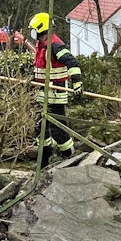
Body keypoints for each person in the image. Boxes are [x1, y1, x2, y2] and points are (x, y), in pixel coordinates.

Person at [28, 12, 83, 166]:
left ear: (41, 29)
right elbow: (41, 68)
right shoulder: (42, 45)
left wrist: (77, 82)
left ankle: (71, 158)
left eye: (34, 30)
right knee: (41, 130)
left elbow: (72, 62)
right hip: (43, 93)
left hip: (56, 93)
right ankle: (43, 162)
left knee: (58, 130)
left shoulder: (55, 45)